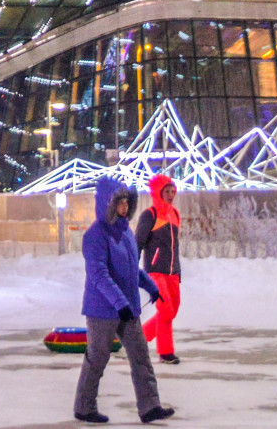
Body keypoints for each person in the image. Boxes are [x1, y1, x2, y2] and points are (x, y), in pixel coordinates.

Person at [75, 176, 173, 425]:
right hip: (101, 309)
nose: (125, 207)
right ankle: (84, 407)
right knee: (98, 357)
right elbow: (99, 275)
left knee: (141, 355)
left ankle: (150, 406)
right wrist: (120, 303)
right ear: (108, 203)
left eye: (127, 202)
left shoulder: (126, 232)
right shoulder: (95, 236)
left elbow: (131, 269)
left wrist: (150, 287)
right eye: (119, 202)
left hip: (127, 307)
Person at [134, 173, 182, 364]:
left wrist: (178, 272)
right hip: (155, 270)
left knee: (172, 310)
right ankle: (165, 352)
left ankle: (138, 340)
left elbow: (174, 246)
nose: (170, 195)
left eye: (172, 191)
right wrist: (131, 266)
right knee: (166, 311)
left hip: (173, 272)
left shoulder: (174, 214)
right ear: (158, 192)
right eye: (167, 191)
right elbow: (138, 242)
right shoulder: (150, 214)